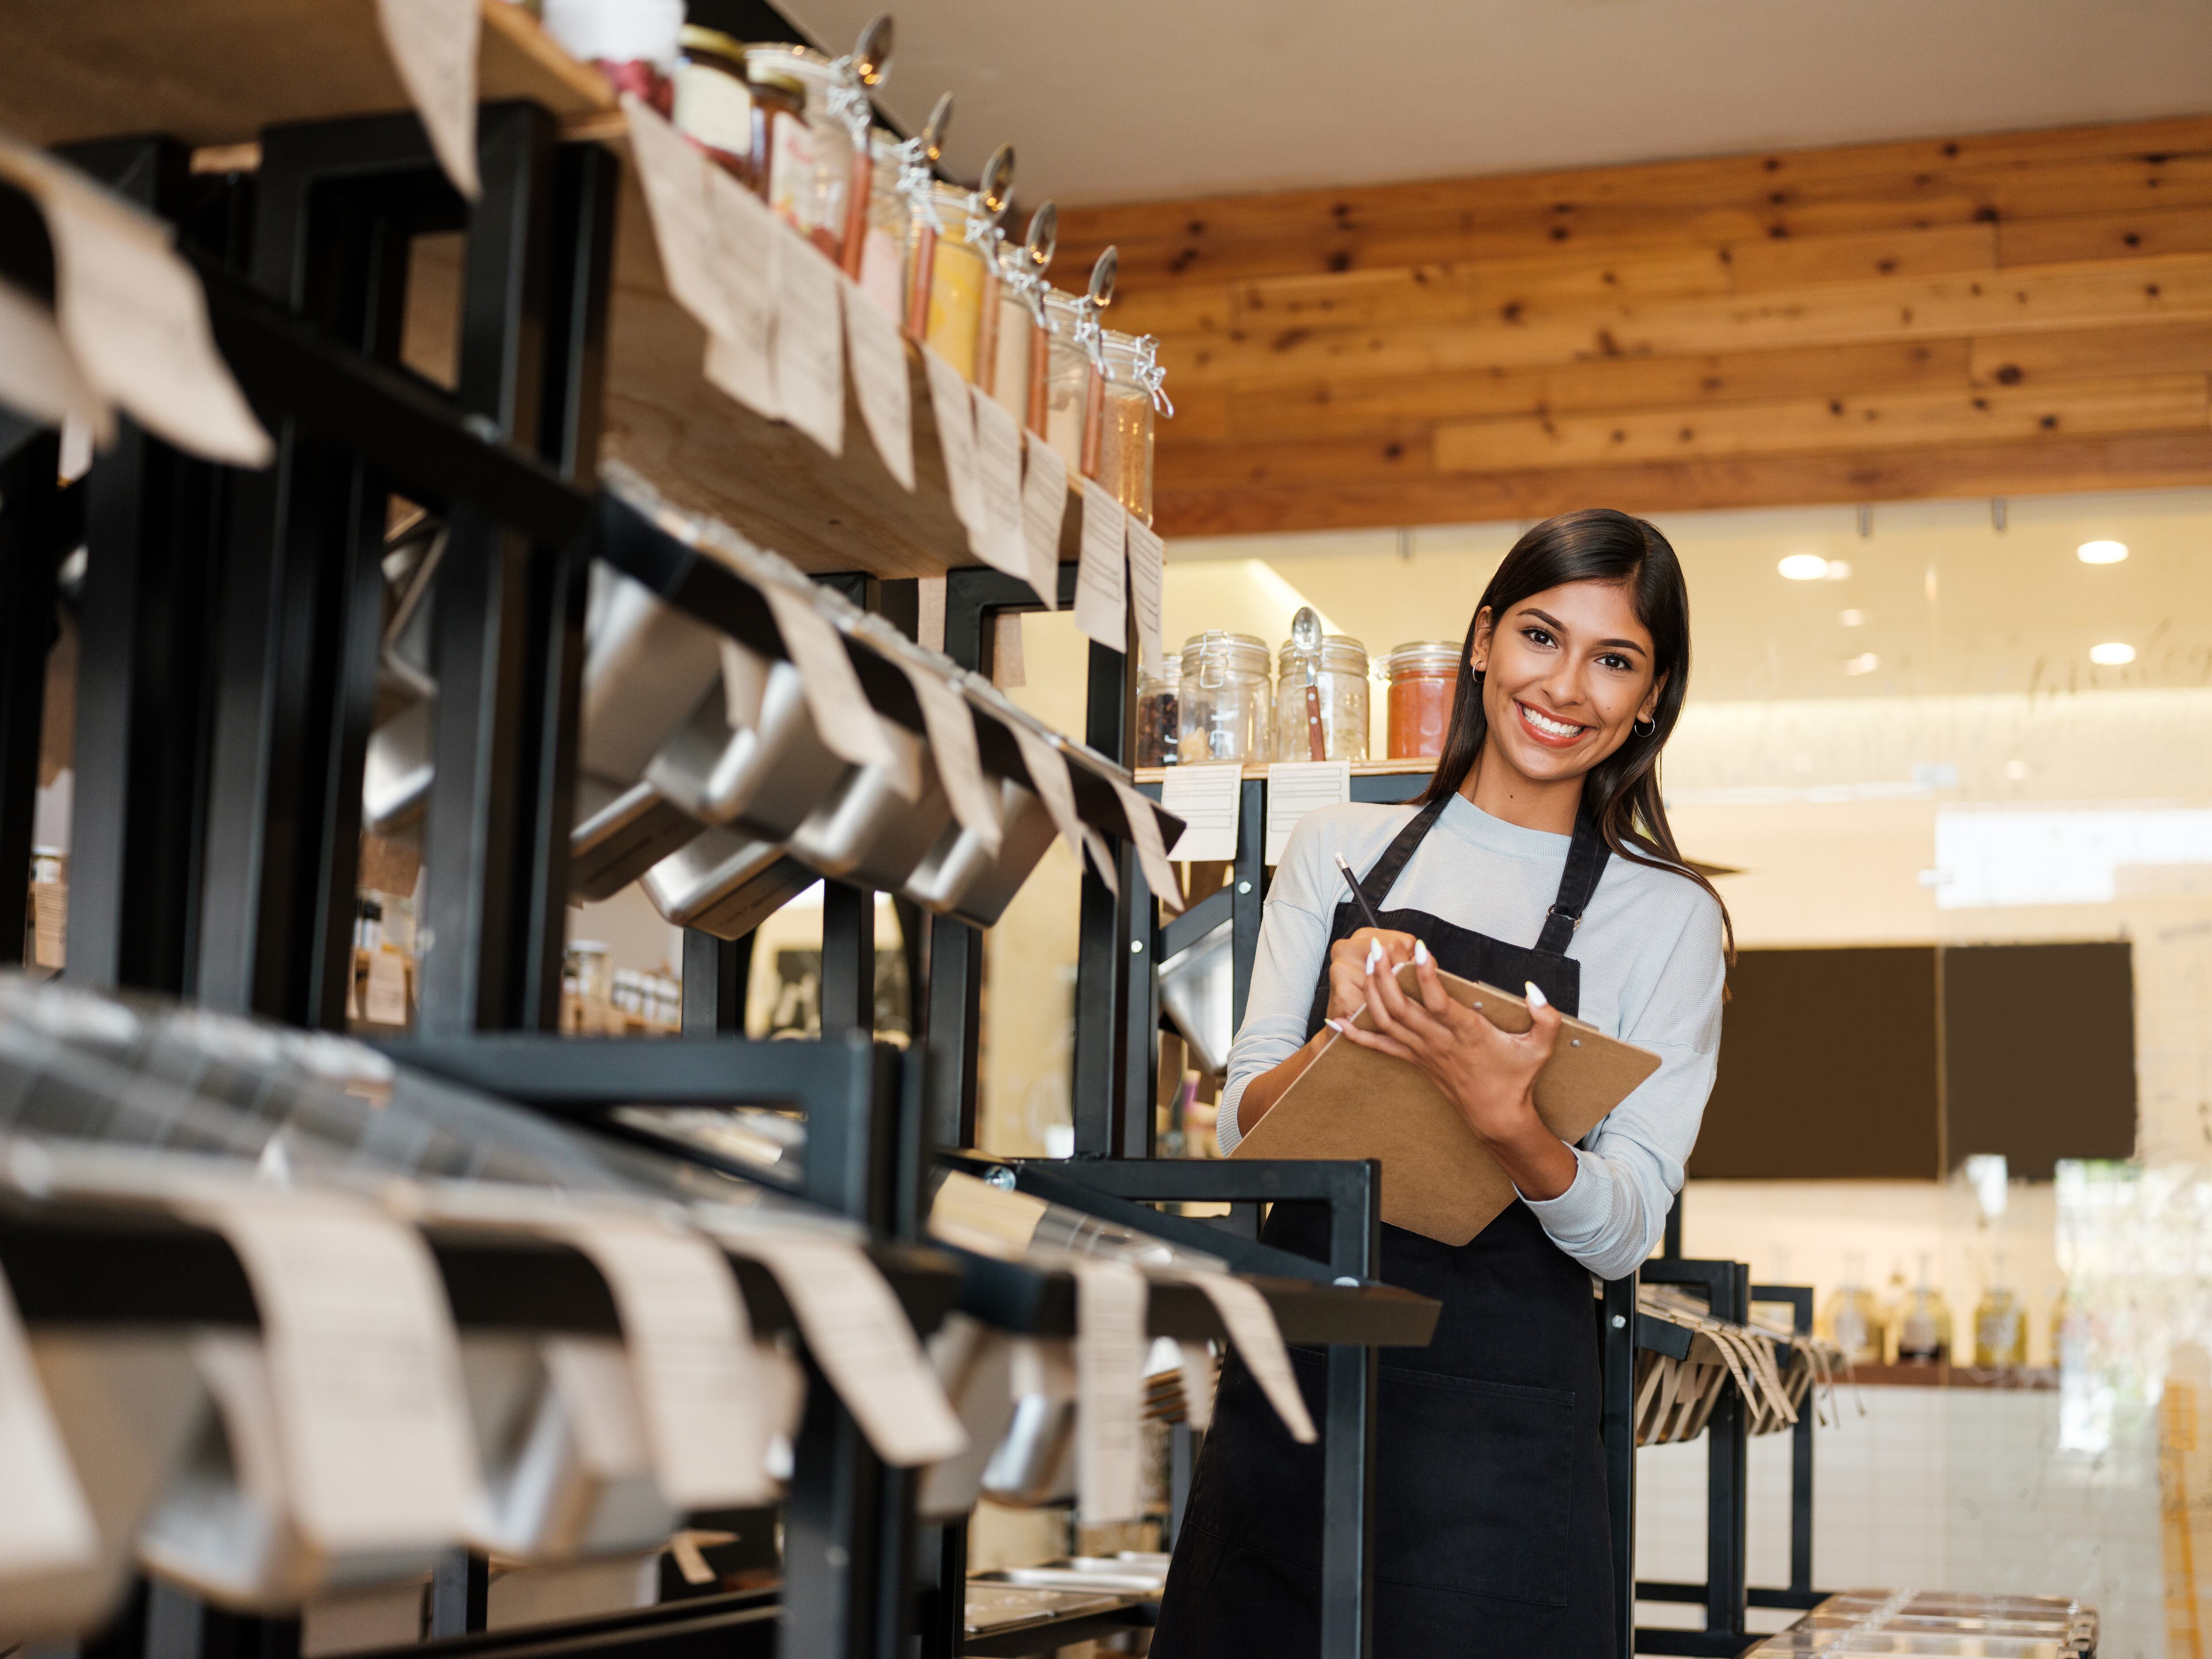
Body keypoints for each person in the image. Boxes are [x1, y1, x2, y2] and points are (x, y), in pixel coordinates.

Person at [1151, 508, 1731, 1659]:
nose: (1565, 686)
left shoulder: (1669, 920)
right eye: (1539, 637)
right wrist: (1347, 1028)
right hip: (1299, 1399)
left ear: (1652, 698)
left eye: (1614, 660)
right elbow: (1248, 1130)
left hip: (1504, 1436)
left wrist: (1509, 1120)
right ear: (1481, 642)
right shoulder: (1341, 851)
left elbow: (1622, 1232)